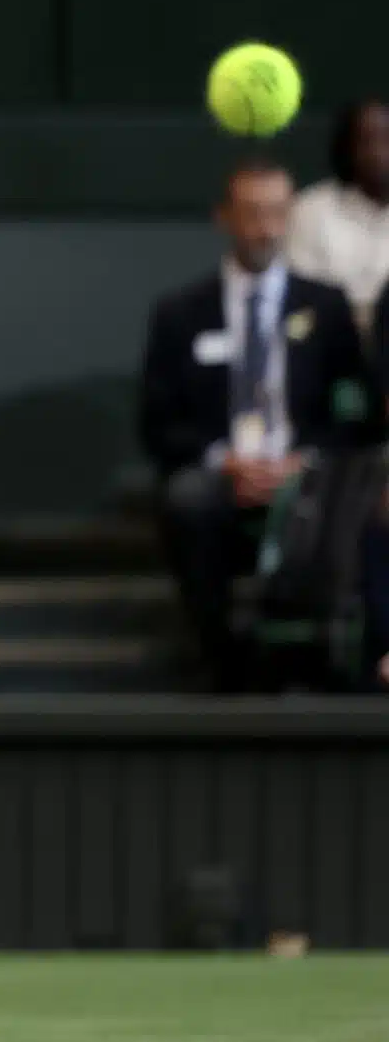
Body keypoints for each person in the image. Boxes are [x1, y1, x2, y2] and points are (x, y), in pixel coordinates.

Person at [141, 157, 375, 688]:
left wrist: (304, 462)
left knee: (348, 496)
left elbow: (355, 411)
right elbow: (158, 422)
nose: (264, 228)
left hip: (306, 472)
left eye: (276, 213)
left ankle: (322, 659)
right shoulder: (180, 312)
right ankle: (219, 657)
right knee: (187, 499)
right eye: (251, 213)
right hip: (222, 472)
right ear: (223, 216)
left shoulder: (326, 306)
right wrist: (226, 462)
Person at [284, 98, 389, 337]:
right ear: (347, 149)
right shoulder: (310, 210)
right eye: (366, 141)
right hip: (330, 341)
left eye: (387, 139)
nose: (378, 152)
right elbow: (302, 296)